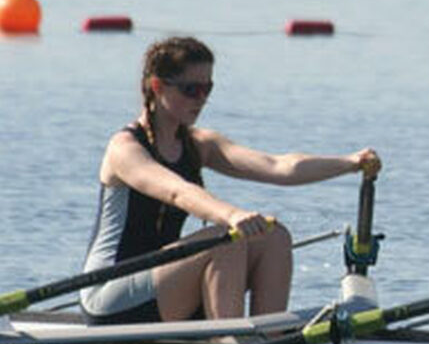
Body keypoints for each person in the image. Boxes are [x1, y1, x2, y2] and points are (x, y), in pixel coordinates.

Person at [80, 36, 381, 325]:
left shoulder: (200, 144)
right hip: (109, 296)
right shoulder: (124, 149)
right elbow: (178, 192)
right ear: (157, 86)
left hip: (164, 284)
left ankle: (268, 343)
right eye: (190, 89)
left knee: (274, 236)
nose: (201, 99)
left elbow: (279, 166)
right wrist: (233, 216)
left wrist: (350, 163)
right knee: (225, 239)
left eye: (207, 89)